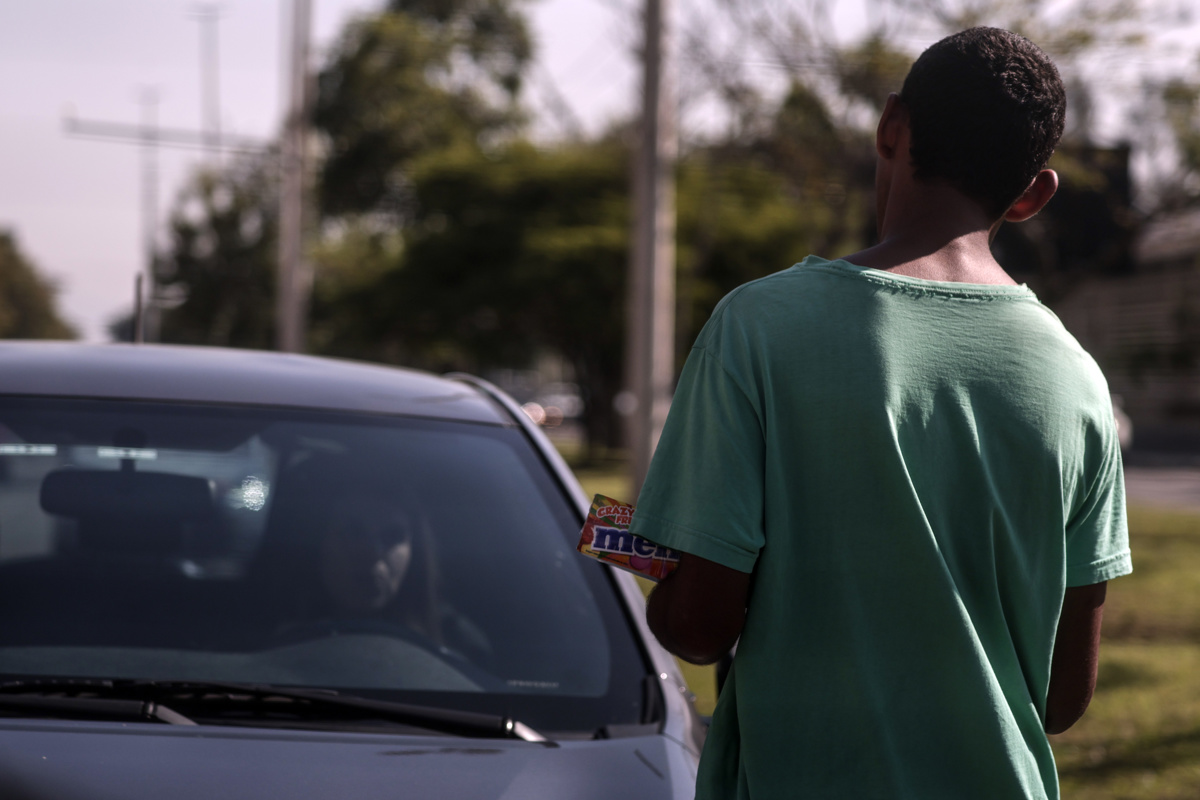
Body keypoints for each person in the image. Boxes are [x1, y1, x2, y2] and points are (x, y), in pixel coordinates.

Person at [630, 27, 1131, 800]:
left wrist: (660, 567)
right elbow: (1064, 698)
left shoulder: (759, 327)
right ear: (1034, 194)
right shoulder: (1078, 380)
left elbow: (697, 628)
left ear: (891, 127)